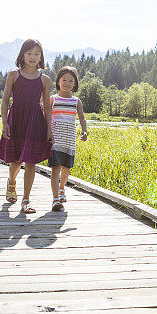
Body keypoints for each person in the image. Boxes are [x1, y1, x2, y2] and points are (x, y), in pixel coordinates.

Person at [0, 39, 54, 213]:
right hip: (16, 118)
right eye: (29, 53)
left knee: (31, 161)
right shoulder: (14, 75)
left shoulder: (45, 79)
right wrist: (5, 122)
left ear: (41, 56)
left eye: (37, 53)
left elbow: (47, 106)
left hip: (35, 121)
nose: (33, 57)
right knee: (15, 161)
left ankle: (26, 200)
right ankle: (11, 182)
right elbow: (5, 100)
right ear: (22, 55)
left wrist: (49, 128)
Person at [49, 66, 88, 211]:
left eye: (71, 81)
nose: (67, 83)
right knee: (55, 168)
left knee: (66, 168)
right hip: (55, 139)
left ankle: (61, 188)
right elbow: (45, 116)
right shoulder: (53, 99)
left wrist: (84, 131)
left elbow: (82, 118)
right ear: (58, 81)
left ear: (75, 84)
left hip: (69, 139)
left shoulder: (76, 101)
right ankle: (55, 199)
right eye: (64, 80)